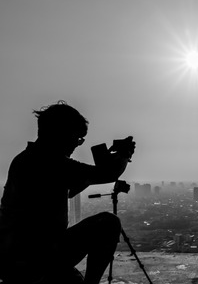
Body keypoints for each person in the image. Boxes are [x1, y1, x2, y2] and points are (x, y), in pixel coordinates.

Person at [0, 101, 136, 284]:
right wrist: (125, 154)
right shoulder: (51, 162)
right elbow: (109, 173)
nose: (77, 145)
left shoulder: (25, 160)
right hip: (36, 257)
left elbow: (67, 191)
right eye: (77, 138)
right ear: (62, 134)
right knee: (108, 223)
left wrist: (88, 176)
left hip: (15, 258)